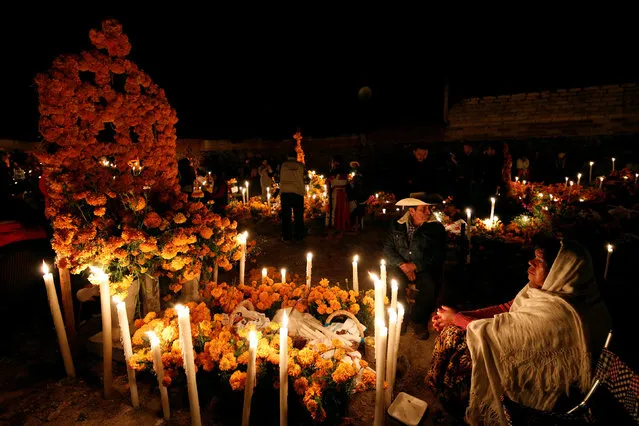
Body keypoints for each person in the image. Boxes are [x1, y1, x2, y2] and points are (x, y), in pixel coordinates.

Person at [427, 238, 612, 424]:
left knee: (457, 352)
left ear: (561, 271)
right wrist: (459, 315)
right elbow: (507, 308)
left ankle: (459, 410)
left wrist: (455, 319)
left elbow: (499, 333)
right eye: (534, 258)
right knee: (453, 334)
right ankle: (448, 401)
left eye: (540, 262)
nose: (530, 263)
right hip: (519, 348)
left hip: (545, 378)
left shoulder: (561, 312)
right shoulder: (549, 290)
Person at [382, 194, 447, 340]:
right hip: (401, 265)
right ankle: (401, 317)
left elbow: (438, 255)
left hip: (423, 267)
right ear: (411, 211)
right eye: (423, 209)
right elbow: (388, 249)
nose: (428, 212)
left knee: (429, 286)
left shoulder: (436, 228)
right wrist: (403, 265)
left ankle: (419, 320)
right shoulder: (396, 224)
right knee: (394, 284)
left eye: (429, 208)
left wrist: (416, 266)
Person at [279, 151, 305, 242]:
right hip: (297, 192)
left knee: (286, 216)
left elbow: (281, 177)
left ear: (287, 156)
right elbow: (303, 177)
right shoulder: (300, 165)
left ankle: (287, 236)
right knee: (298, 215)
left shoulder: (284, 165)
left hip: (285, 192)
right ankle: (299, 236)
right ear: (296, 156)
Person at [326, 156, 351, 233]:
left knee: (335, 209)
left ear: (336, 163)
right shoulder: (339, 172)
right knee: (337, 209)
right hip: (339, 193)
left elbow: (333, 182)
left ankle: (335, 225)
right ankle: (336, 224)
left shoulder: (336, 172)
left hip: (337, 193)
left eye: (333, 162)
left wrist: (330, 183)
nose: (331, 164)